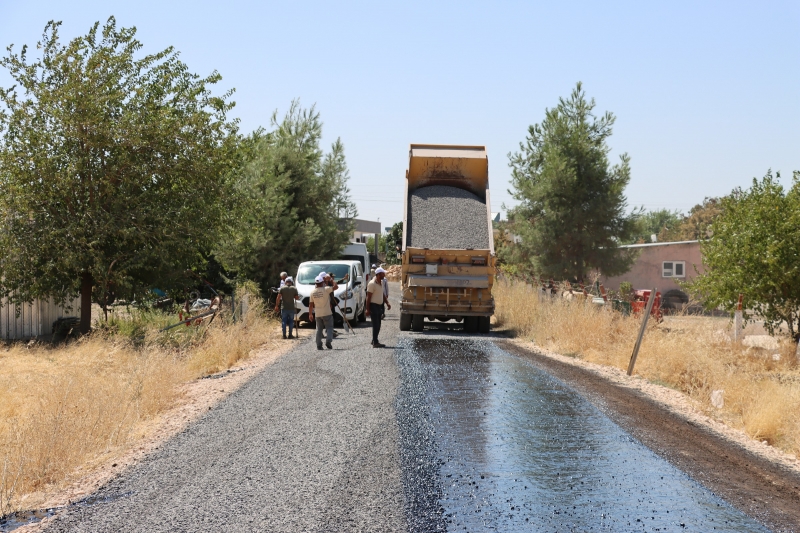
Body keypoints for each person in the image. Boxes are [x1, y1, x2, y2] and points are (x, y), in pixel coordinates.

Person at [309, 273, 338, 350]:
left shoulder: (312, 292)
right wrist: (331, 279)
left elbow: (311, 305)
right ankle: (328, 341)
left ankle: (319, 345)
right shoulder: (326, 289)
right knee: (329, 327)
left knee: (319, 329)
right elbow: (336, 287)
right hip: (327, 312)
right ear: (322, 282)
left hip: (318, 314)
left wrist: (310, 314)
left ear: (316, 283)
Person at [366, 267, 391, 348]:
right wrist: (367, 309)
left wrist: (387, 303)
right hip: (373, 306)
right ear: (379, 274)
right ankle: (375, 342)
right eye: (383, 273)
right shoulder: (372, 283)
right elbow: (368, 297)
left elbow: (382, 294)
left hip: (379, 306)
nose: (384, 274)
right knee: (376, 325)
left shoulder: (381, 282)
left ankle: (374, 340)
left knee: (379, 324)